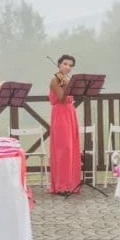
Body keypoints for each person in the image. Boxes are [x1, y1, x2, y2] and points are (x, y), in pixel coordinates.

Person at [48, 54, 81, 195]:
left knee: (72, 148)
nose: (67, 67)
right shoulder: (55, 80)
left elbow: (73, 97)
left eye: (70, 65)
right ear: (59, 64)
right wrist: (68, 85)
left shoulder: (67, 79)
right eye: (65, 64)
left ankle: (71, 183)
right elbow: (61, 98)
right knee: (63, 148)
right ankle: (61, 185)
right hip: (60, 114)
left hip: (70, 112)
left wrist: (72, 85)